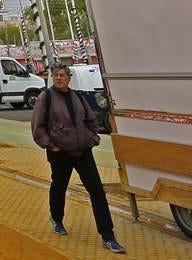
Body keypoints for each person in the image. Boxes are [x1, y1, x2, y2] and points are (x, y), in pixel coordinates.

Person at [32, 64, 125, 254]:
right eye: (56, 75)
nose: (59, 78)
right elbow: (37, 126)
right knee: (59, 186)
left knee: (97, 191)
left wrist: (93, 138)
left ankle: (108, 236)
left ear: (69, 77)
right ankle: (56, 218)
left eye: (62, 75)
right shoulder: (46, 98)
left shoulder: (78, 97)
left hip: (83, 151)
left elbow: (91, 120)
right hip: (60, 153)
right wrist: (51, 145)